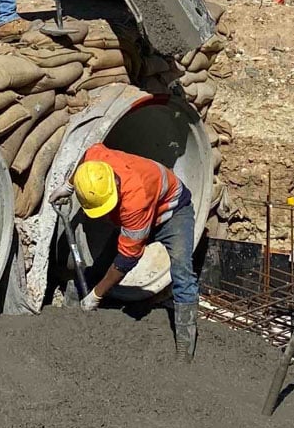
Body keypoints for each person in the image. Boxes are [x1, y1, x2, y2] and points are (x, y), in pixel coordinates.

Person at [72, 143, 200, 361]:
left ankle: (184, 351)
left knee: (182, 272)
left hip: (173, 213)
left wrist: (96, 295)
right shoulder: (96, 161)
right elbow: (82, 165)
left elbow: (127, 258)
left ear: (115, 184)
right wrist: (68, 186)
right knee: (103, 262)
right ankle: (73, 313)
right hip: (141, 212)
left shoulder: (135, 200)